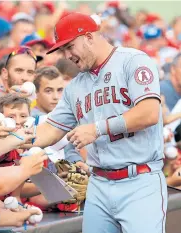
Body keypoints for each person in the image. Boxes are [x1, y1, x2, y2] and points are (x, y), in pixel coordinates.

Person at [32, 12, 167, 233]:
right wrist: (15, 142)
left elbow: (149, 113)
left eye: (69, 46)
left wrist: (97, 129)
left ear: (88, 37)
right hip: (99, 183)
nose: (67, 56)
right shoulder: (76, 86)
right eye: (63, 50)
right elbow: (51, 129)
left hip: (140, 181)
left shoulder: (133, 61)